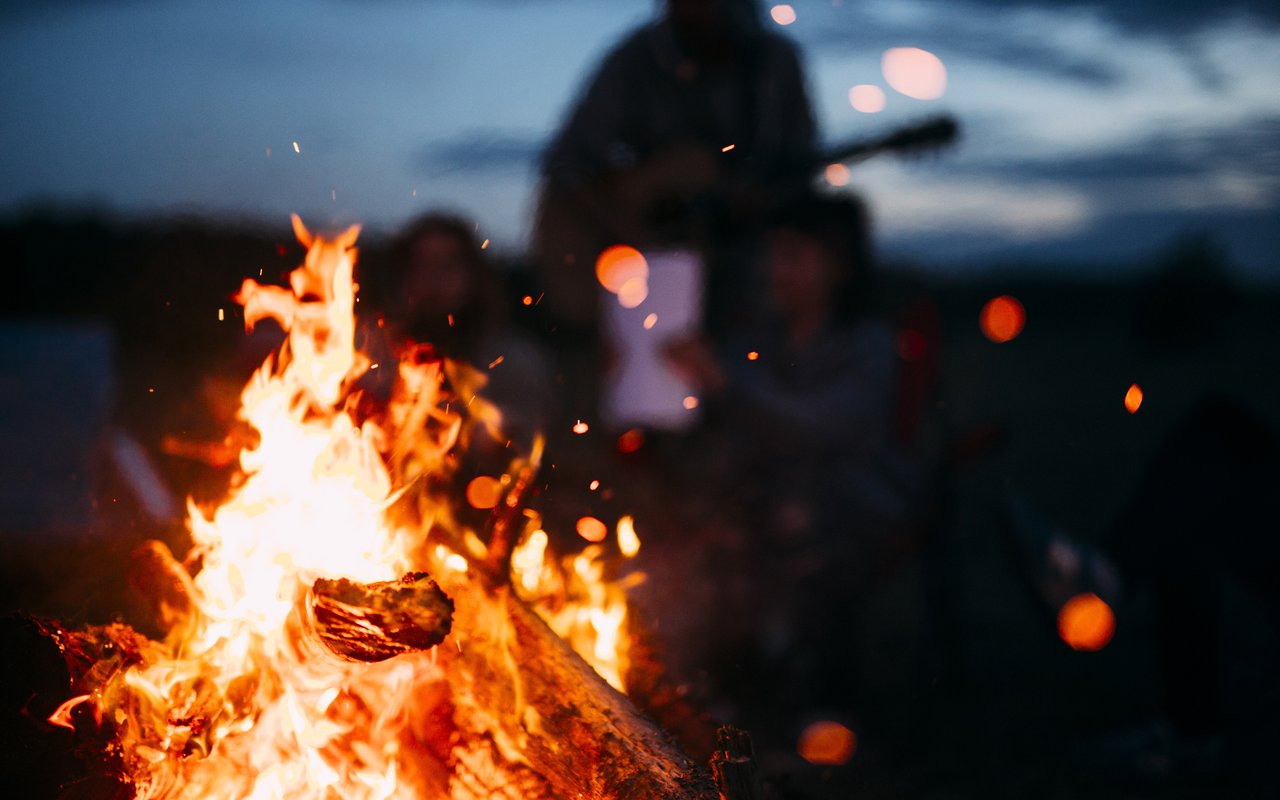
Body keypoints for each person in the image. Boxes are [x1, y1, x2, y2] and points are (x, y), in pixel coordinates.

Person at [663, 193, 934, 725]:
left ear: (836, 264)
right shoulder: (756, 340)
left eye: (792, 255)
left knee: (799, 519)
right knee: (716, 526)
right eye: (771, 255)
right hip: (769, 496)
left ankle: (821, 701)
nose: (774, 269)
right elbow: (718, 424)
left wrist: (726, 385)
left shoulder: (868, 344)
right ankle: (735, 685)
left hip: (855, 498)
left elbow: (823, 428)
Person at [534, 0, 818, 351]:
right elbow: (567, 164)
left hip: (742, 246)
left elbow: (799, 167)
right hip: (649, 253)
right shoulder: (633, 61)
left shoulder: (773, 62)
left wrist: (754, 199)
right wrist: (630, 233)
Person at [379, 213, 553, 452]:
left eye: (447, 264)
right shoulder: (372, 359)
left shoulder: (513, 362)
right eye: (423, 263)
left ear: (474, 275)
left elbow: (530, 445)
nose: (435, 278)